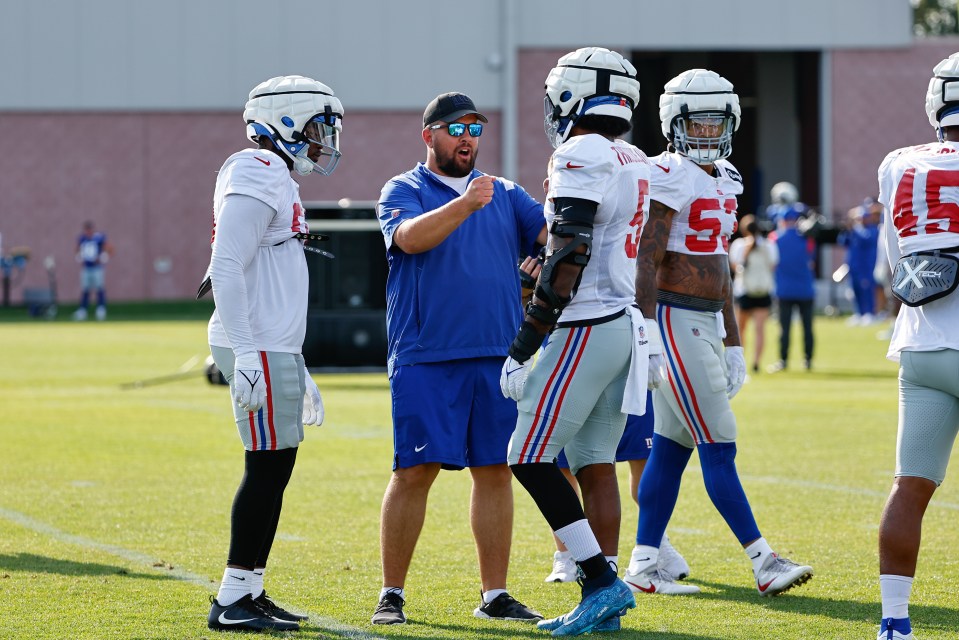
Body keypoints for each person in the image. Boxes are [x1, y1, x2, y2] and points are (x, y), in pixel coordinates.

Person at [623, 68, 813, 600]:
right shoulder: (668, 173)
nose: (707, 132)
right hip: (673, 317)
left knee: (671, 447)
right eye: (697, 122)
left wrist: (732, 340)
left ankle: (642, 563)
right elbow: (647, 257)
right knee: (720, 440)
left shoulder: (727, 177)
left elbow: (720, 267)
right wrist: (646, 328)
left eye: (716, 122)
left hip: (706, 320)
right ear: (674, 123)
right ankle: (763, 561)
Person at [371, 91, 547, 626]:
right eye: (455, 128)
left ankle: (495, 594)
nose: (467, 138)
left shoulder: (507, 193)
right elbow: (410, 239)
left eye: (475, 128)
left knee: (495, 471)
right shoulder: (403, 188)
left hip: (498, 354)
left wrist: (551, 253)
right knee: (414, 470)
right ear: (429, 135)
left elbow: (552, 237)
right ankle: (392, 594)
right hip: (427, 354)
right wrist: (467, 202)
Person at [499, 46, 647, 636]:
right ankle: (603, 601)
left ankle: (601, 583)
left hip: (585, 326)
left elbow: (569, 254)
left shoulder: (579, 151)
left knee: (526, 456)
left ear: (568, 95)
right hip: (623, 323)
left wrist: (525, 340)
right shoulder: (631, 155)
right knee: (593, 462)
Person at [202, 74, 338, 633]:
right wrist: (250, 356)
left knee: (275, 469)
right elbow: (226, 266)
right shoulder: (257, 169)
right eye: (316, 125)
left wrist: (292, 360)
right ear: (285, 120)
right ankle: (232, 598)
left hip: (271, 344)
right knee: (264, 471)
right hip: (254, 344)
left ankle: (251, 589)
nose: (323, 137)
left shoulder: (274, 174)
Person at [873, 51, 959, 640]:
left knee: (910, 486)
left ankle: (895, 622)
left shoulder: (898, 162)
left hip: (923, 342)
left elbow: (893, 266)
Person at [767, 204, 817, 372]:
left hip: (784, 289)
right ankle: (808, 360)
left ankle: (783, 360)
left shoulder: (774, 238)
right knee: (808, 328)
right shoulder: (807, 239)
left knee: (784, 328)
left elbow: (771, 263)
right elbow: (811, 260)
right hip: (805, 289)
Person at [729, 214, 779, 373]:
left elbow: (735, 267)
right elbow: (773, 266)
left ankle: (741, 363)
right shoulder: (769, 245)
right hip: (763, 290)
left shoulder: (739, 245)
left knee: (741, 329)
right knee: (759, 329)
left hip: (744, 290)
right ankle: (756, 362)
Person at [839, 199, 881, 325]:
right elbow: (842, 241)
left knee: (867, 289)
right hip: (853, 266)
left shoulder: (873, 230)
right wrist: (848, 228)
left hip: (866, 266)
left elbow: (866, 239)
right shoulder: (854, 231)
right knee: (855, 289)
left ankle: (870, 313)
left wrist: (856, 227)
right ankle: (860, 313)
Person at [72, 221, 113, 321]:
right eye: (87, 229)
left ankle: (101, 309)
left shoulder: (99, 237)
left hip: (97, 267)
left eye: (90, 229)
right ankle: (83, 310)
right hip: (86, 267)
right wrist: (79, 257)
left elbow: (109, 248)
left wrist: (103, 257)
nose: (88, 231)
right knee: (85, 289)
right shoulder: (82, 238)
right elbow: (77, 249)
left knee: (99, 288)